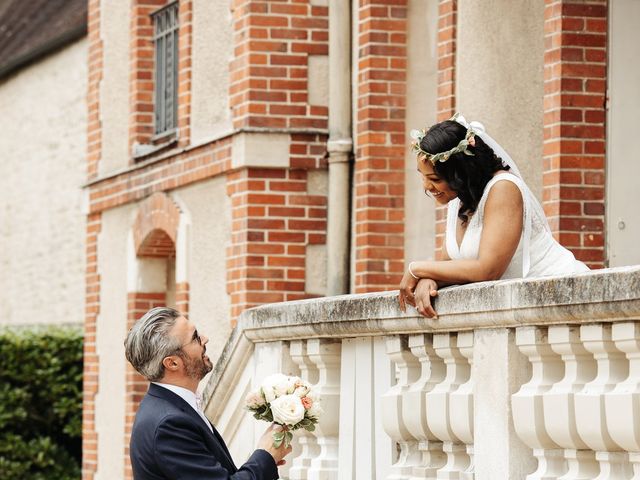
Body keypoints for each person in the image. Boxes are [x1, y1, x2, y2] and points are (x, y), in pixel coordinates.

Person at [399, 113, 589, 317]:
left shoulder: (503, 188)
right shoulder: (458, 200)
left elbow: (488, 270)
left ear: (460, 173)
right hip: (527, 309)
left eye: (435, 178)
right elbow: (449, 265)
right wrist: (430, 279)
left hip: (564, 295)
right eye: (423, 177)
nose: (427, 187)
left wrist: (416, 269)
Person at [124, 306, 291, 479]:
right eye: (195, 337)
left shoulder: (168, 407)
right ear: (172, 363)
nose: (205, 339)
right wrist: (266, 455)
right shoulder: (169, 424)